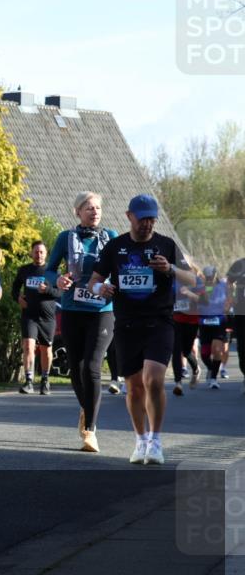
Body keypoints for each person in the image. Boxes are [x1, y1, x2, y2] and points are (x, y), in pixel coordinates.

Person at [89, 194, 194, 466]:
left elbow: (192, 278)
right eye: (143, 218)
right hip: (126, 324)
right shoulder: (115, 247)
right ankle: (141, 440)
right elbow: (93, 283)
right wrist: (103, 289)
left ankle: (156, 441)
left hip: (159, 321)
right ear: (129, 216)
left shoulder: (166, 245)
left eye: (152, 218)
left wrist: (169, 268)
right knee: (134, 388)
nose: (148, 224)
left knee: (154, 379)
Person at [45, 192, 118, 453]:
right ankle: (86, 409)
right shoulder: (66, 238)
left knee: (92, 366)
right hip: (73, 308)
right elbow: (49, 268)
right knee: (76, 368)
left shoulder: (110, 236)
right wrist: (58, 280)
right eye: (89, 208)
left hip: (102, 310)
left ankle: (91, 429)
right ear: (77, 211)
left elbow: (120, 268)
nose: (94, 211)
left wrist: (112, 285)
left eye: (98, 207)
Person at [12, 240, 61, 394]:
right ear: (31, 253)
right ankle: (28, 381)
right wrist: (18, 298)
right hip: (29, 315)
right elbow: (14, 289)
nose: (38, 254)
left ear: (46, 254)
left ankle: (45, 380)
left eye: (41, 252)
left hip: (47, 317)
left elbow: (60, 293)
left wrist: (47, 290)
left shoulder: (53, 272)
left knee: (46, 349)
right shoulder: (24, 270)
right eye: (36, 251)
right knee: (28, 346)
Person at [171, 266, 204, 396]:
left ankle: (196, 369)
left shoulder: (198, 282)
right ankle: (178, 383)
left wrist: (189, 294)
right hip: (175, 319)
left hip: (192, 320)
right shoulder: (173, 280)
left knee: (186, 351)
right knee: (176, 350)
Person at [196, 266, 229, 389]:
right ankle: (211, 368)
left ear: (215, 275)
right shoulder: (200, 286)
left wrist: (227, 306)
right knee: (204, 354)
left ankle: (214, 379)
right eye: (207, 276)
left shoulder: (223, 285)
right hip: (204, 322)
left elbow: (231, 296)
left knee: (217, 350)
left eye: (211, 275)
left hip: (219, 321)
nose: (209, 278)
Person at [226, 256, 245, 395]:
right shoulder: (239, 264)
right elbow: (228, 282)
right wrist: (230, 298)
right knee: (243, 347)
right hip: (241, 313)